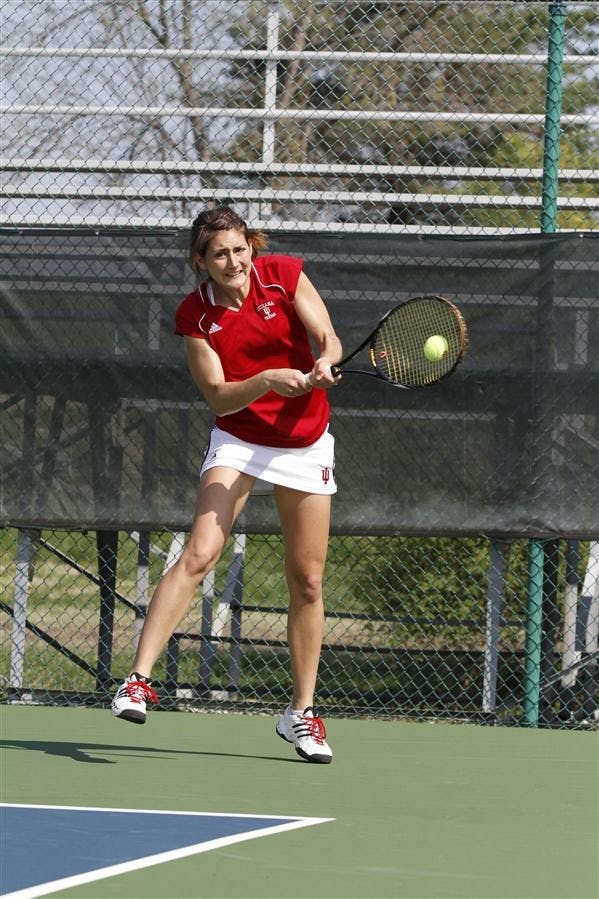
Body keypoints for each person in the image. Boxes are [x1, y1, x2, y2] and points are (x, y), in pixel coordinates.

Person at [111, 205, 342, 764]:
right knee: (200, 553)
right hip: (239, 439)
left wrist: (325, 363)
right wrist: (267, 380)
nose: (234, 261)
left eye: (240, 249)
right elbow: (217, 395)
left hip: (306, 440)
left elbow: (328, 337)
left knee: (308, 580)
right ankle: (137, 681)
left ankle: (301, 713)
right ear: (201, 260)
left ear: (251, 247)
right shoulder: (196, 315)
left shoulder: (283, 275)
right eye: (220, 254)